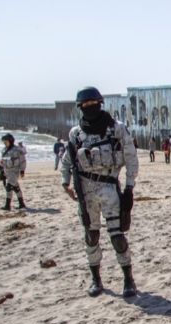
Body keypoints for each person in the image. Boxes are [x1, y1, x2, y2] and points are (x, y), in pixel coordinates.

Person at [61, 86, 139, 298]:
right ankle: (96, 279)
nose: (89, 108)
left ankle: (128, 279)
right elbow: (67, 159)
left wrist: (130, 188)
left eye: (92, 104)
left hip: (109, 188)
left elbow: (131, 158)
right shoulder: (76, 134)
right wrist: (65, 182)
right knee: (91, 235)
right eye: (85, 106)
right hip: (86, 192)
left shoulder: (117, 129)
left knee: (117, 235)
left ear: (100, 104)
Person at [0, 133, 26, 210]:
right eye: (4, 142)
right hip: (7, 171)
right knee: (16, 187)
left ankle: (7, 205)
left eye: (6, 141)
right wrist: (1, 169)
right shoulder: (4, 150)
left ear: (10, 141)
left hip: (14, 171)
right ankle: (22, 203)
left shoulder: (17, 150)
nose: (4, 143)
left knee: (9, 187)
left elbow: (23, 160)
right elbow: (3, 160)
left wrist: (22, 170)